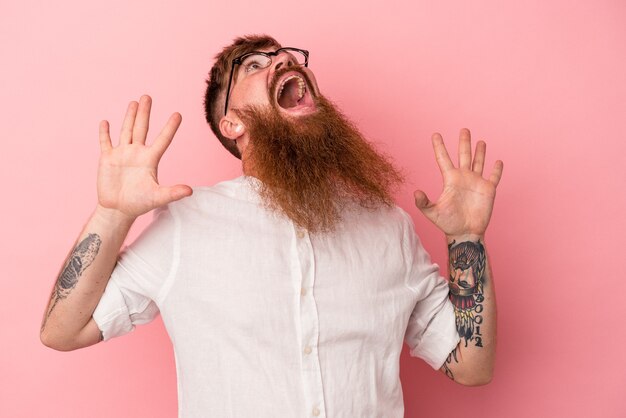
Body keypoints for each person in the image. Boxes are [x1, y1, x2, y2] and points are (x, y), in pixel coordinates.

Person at [40, 34, 503, 417]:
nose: (282, 58)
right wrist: (114, 213)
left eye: (284, 54)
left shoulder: (388, 228)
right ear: (232, 123)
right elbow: (64, 330)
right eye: (253, 64)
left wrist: (467, 241)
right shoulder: (186, 224)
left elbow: (471, 366)